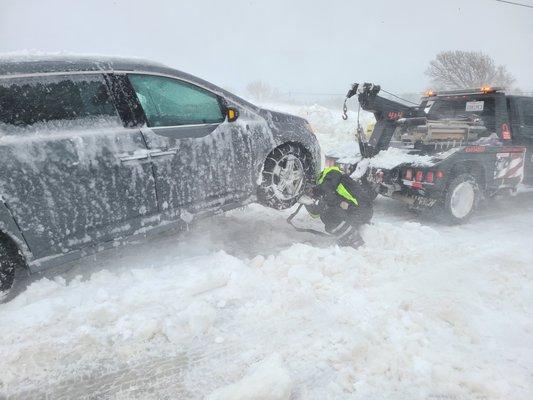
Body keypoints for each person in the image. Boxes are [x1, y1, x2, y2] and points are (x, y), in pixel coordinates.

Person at [301, 166, 375, 248]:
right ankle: (350, 233)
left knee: (328, 215)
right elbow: (316, 213)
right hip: (356, 213)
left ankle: (354, 240)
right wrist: (306, 201)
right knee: (326, 213)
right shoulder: (328, 194)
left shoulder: (332, 172)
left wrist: (314, 191)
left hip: (361, 209)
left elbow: (326, 188)